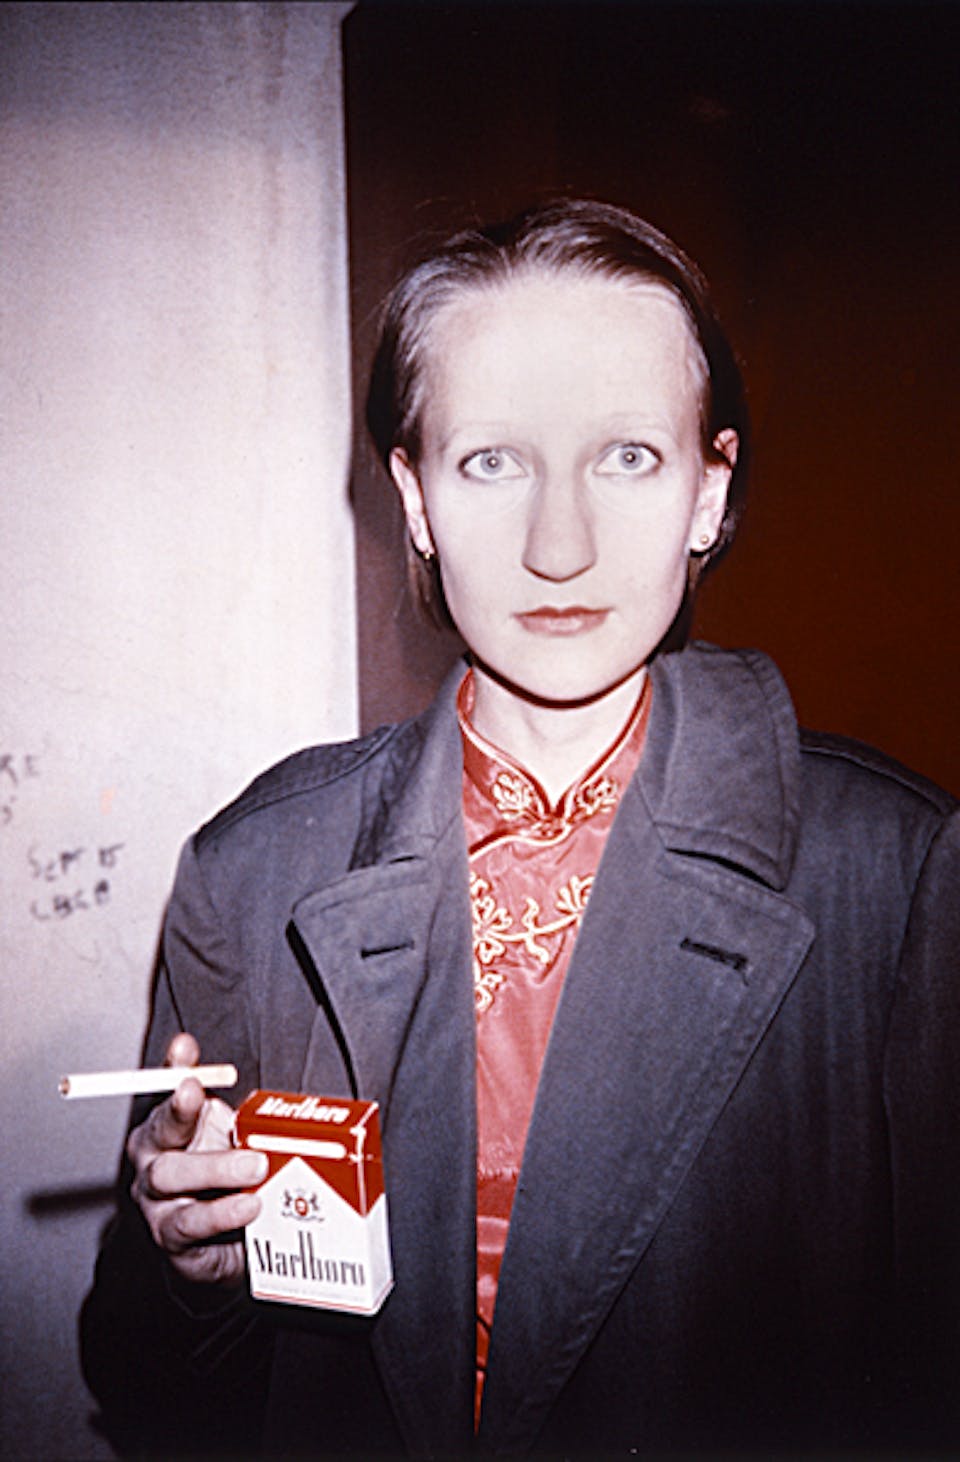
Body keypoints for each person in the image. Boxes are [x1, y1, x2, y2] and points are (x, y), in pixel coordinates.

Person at [81, 199, 959, 1458]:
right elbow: (147, 1384)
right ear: (415, 498)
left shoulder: (901, 873)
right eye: (493, 461)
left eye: (627, 457)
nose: (560, 546)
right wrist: (194, 1269)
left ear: (709, 491)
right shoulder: (253, 871)